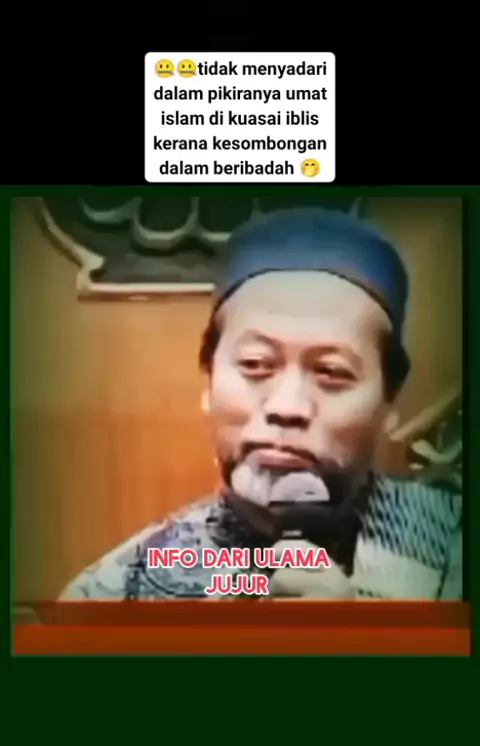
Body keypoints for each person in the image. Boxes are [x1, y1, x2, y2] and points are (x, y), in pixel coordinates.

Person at [60, 207, 462, 600]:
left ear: (389, 401)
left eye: (332, 371)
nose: (287, 407)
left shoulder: (455, 547)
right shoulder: (119, 590)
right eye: (255, 364)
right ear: (209, 382)